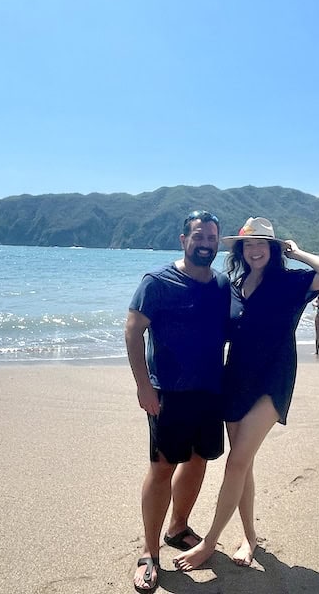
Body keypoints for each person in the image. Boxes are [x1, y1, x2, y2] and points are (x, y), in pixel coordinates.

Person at [174, 216, 319, 571]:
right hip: (235, 377)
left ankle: (209, 542)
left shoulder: (291, 282)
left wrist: (296, 252)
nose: (254, 250)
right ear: (241, 249)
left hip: (272, 378)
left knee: (236, 463)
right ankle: (250, 537)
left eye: (261, 244)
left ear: (273, 249)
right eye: (247, 244)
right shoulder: (234, 286)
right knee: (242, 463)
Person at [125, 210, 231, 592]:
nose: (205, 244)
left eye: (212, 238)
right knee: (162, 467)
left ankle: (178, 527)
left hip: (209, 391)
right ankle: (149, 552)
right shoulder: (157, 281)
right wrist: (143, 386)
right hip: (167, 392)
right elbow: (133, 331)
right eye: (199, 237)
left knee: (199, 460)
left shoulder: (221, 285)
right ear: (183, 239)